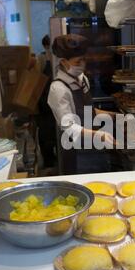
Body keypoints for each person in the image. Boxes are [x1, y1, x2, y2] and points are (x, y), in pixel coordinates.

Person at [47, 34, 116, 174]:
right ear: (64, 62)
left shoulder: (82, 79)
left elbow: (87, 111)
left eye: (84, 60)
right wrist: (100, 135)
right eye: (78, 62)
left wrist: (117, 116)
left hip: (93, 146)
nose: (82, 65)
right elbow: (69, 127)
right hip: (75, 150)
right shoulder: (59, 89)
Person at [36, 35, 56, 170]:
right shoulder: (41, 59)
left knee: (54, 133)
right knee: (47, 134)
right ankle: (50, 162)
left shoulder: (57, 58)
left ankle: (54, 161)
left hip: (51, 101)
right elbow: (37, 80)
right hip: (45, 103)